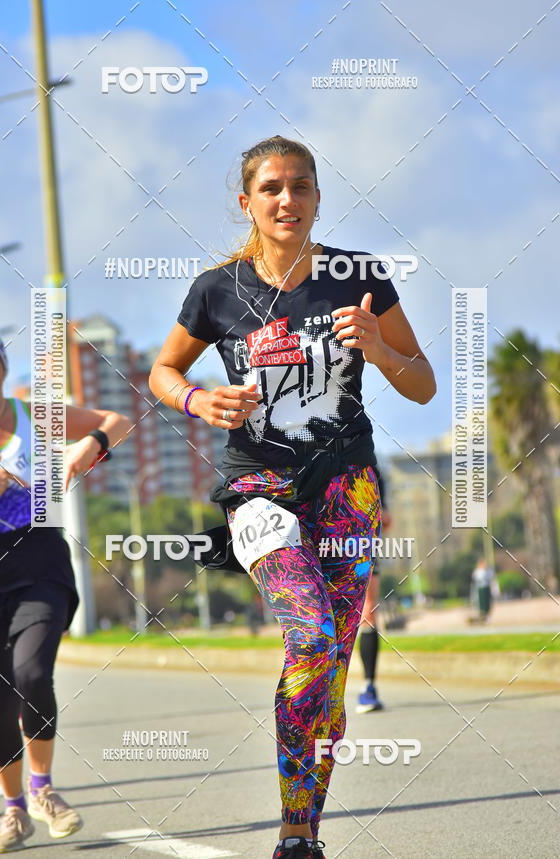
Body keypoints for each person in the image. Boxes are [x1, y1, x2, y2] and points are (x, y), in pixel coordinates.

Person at [149, 135, 436, 859]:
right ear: (247, 201)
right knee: (308, 639)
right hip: (260, 490)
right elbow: (162, 369)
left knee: (330, 678)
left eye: (300, 186)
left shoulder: (357, 277)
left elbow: (423, 382)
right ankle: (295, 835)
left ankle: (301, 829)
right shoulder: (218, 290)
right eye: (271, 188)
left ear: (316, 196)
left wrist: (377, 343)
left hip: (348, 492)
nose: (287, 199)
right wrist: (196, 398)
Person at [0, 328, 132, 854]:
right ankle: (13, 812)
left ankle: (44, 791)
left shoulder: (35, 411)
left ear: (4, 369)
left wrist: (89, 447)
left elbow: (119, 421)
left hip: (40, 559)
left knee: (34, 672)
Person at [356, 466, 391, 713]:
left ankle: (369, 687)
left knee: (368, 611)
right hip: (319, 537)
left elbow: (386, 517)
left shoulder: (366, 459)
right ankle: (323, 689)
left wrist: (382, 511)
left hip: (359, 538)